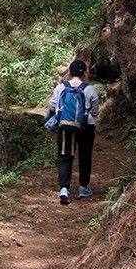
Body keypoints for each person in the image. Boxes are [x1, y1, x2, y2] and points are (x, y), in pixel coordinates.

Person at [48, 59, 100, 205]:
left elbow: (52, 105)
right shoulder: (89, 89)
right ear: (84, 73)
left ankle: (64, 188)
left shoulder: (60, 87)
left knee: (65, 156)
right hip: (85, 127)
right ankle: (83, 187)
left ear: (69, 72)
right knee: (85, 155)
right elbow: (95, 111)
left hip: (65, 126)